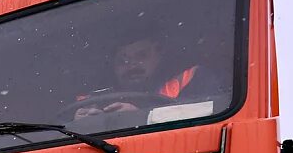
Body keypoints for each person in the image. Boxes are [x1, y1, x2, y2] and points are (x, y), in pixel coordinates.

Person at [74, 34, 224, 121]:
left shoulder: (192, 79)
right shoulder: (93, 99)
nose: (132, 66)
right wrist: (80, 124)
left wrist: (141, 116)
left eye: (141, 56)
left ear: (159, 56)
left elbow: (209, 116)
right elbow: (55, 128)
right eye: (122, 60)